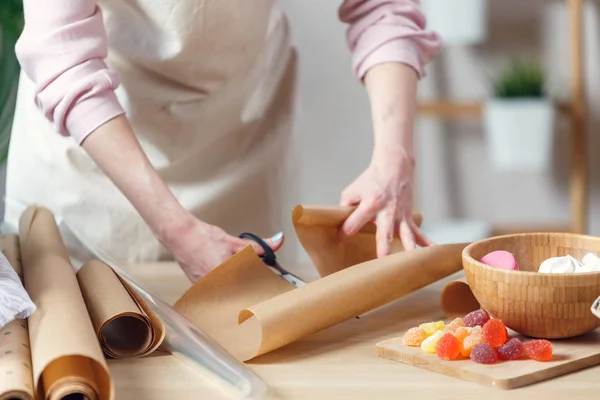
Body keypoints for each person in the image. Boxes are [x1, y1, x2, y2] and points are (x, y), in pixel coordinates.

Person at [4, 0, 442, 282]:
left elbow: (380, 7)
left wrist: (393, 154)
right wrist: (176, 227)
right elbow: (66, 60)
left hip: (239, 137)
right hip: (94, 148)